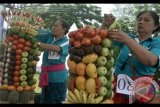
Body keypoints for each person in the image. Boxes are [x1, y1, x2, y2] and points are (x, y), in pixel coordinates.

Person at [102, 10, 160, 104]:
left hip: (141, 90)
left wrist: (127, 40)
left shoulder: (156, 41)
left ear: (155, 26)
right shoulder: (129, 37)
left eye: (146, 20)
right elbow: (103, 37)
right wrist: (105, 26)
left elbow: (152, 61)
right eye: (139, 19)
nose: (141, 22)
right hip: (118, 87)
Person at [35, 19, 70, 104]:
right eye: (53, 25)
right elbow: (35, 32)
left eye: (56, 26)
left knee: (56, 101)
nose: (53, 27)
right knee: (44, 101)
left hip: (58, 79)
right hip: (46, 77)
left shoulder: (67, 41)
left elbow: (57, 48)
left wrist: (38, 44)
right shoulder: (49, 36)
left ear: (64, 29)